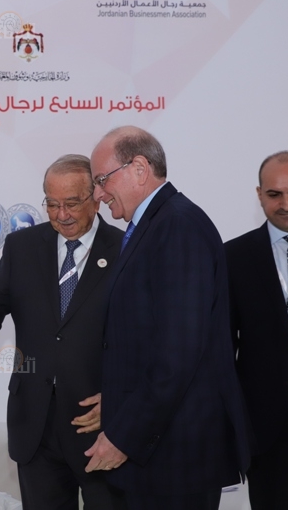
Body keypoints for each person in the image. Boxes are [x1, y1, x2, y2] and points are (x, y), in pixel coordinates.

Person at [86, 126, 249, 509]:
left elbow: (177, 355)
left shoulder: (177, 226)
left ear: (139, 168)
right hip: (160, 451)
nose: (97, 195)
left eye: (102, 180)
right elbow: (146, 339)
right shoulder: (156, 226)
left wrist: (124, 434)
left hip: (176, 457)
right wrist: (116, 399)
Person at [0, 154, 124, 509]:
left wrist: (121, 399)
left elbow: (145, 340)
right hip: (35, 424)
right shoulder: (22, 247)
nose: (61, 215)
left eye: (71, 203)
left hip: (100, 424)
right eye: (51, 204)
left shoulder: (126, 250)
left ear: (96, 198)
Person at [225, 151, 288, 510]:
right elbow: (224, 344)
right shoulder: (234, 257)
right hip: (272, 419)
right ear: (259, 195)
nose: (286, 205)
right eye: (274, 194)